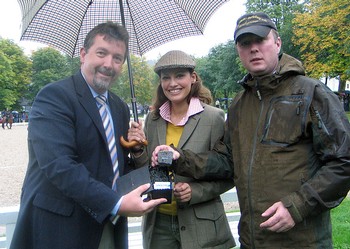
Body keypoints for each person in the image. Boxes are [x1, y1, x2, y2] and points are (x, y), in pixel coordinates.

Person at [151, 13, 350, 248]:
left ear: (277, 43)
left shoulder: (311, 93)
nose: (254, 49)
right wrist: (180, 159)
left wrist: (298, 205)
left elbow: (343, 161)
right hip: (251, 239)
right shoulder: (239, 104)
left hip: (301, 241)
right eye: (246, 43)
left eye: (260, 40)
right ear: (238, 50)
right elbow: (227, 162)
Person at [10, 22, 166, 249]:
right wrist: (117, 203)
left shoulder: (119, 107)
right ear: (83, 55)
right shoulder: (54, 96)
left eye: (117, 58)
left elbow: (116, 169)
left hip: (109, 228)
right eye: (101, 53)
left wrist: (140, 154)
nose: (108, 64)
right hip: (62, 230)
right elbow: (60, 166)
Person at [127, 50, 236, 249]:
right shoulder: (152, 119)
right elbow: (147, 171)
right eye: (165, 77)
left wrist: (195, 192)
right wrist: (137, 151)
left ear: (193, 77)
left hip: (202, 225)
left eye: (179, 75)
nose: (172, 83)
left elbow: (228, 173)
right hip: (158, 224)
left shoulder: (214, 118)